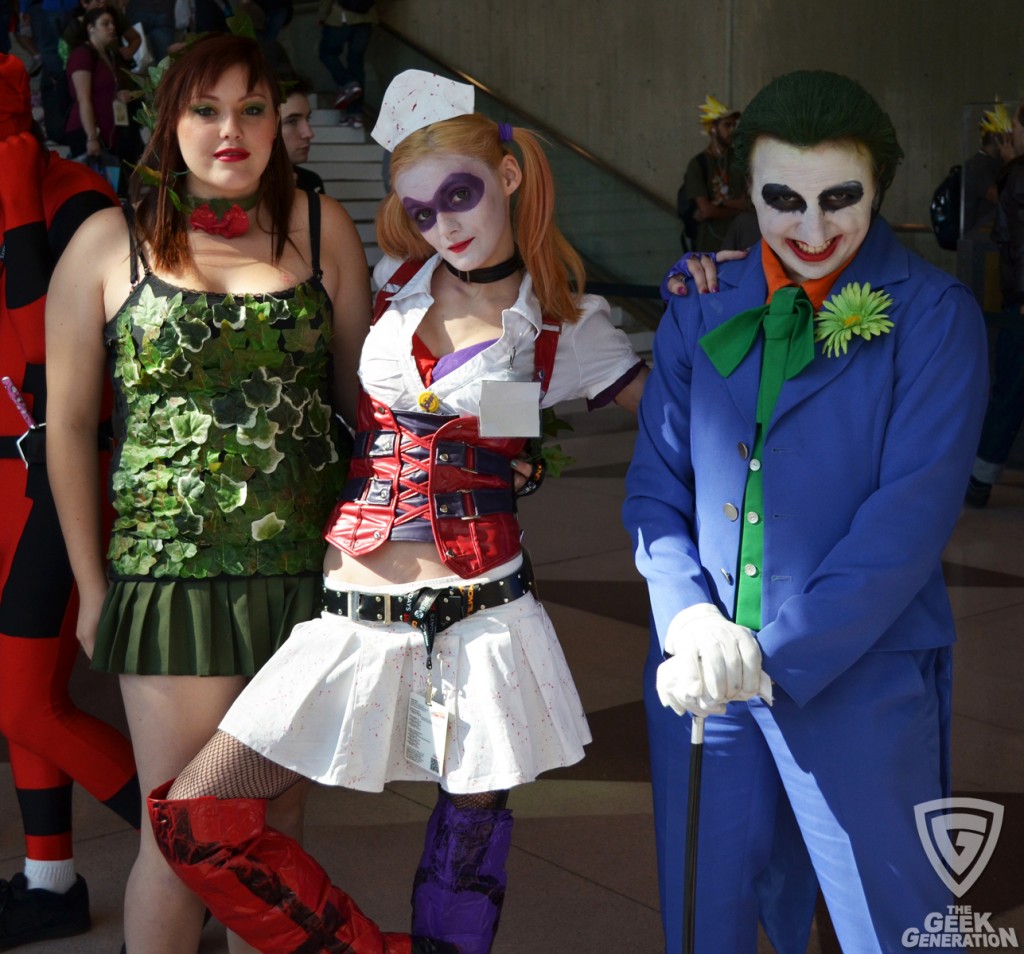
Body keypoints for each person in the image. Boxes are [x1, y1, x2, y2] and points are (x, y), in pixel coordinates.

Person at [145, 67, 648, 954]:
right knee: (196, 818)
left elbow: (682, 421)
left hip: (482, 615)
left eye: (460, 195)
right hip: (352, 614)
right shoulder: (393, 281)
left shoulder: (571, 327)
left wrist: (718, 305)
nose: (445, 224)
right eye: (422, 209)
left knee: (466, 851)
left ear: (511, 176)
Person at [623, 70, 989, 952]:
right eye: (783, 199)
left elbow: (909, 518)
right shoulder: (700, 297)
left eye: (842, 199)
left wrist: (771, 652)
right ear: (744, 190)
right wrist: (689, 621)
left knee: (895, 929)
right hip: (704, 680)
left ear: (879, 190)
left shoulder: (935, 316)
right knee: (703, 925)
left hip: (859, 673)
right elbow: (654, 489)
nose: (814, 228)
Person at [44, 32, 370, 954]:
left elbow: (366, 406)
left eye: (253, 109)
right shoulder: (109, 243)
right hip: (171, 582)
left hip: (302, 580)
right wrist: (91, 587)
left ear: (277, 123)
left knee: (271, 835)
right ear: (168, 121)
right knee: (180, 833)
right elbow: (67, 427)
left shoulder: (321, 226)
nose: (232, 130)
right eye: (206, 109)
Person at [0, 51, 140, 950]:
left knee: (24, 702)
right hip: (9, 481)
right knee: (19, 691)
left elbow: (43, 352)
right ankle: (50, 879)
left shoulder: (79, 195)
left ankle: (206, 856)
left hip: (59, 472)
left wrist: (18, 205)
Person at [966, 99, 1024, 508]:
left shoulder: (1017, 175)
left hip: (1020, 305)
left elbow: (1017, 245)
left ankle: (980, 481)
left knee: (1009, 390)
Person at [678, 94, 747, 253]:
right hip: (709, 246)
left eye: (734, 125)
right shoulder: (698, 164)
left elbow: (749, 204)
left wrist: (721, 204)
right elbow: (706, 211)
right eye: (727, 125)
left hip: (740, 244)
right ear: (713, 129)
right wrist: (737, 209)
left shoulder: (739, 159)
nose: (732, 130)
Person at [63, 6, 125, 159]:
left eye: (113, 23)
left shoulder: (108, 54)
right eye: (105, 24)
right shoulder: (82, 55)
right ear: (91, 28)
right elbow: (83, 98)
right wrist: (91, 137)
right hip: (87, 131)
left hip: (108, 130)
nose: (112, 27)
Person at [317, 0, 374, 127]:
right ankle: (355, 114)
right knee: (356, 62)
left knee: (326, 53)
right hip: (367, 19)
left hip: (341, 17)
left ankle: (347, 83)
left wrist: (322, 15)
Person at [962, 100, 1014, 236]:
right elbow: (998, 197)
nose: (1010, 137)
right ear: (993, 136)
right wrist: (1010, 161)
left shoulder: (997, 162)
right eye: (1005, 133)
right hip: (978, 238)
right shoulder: (977, 165)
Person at [279, 73, 325, 194]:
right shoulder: (237, 191)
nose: (309, 133)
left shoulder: (311, 182)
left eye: (307, 119)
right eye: (292, 121)